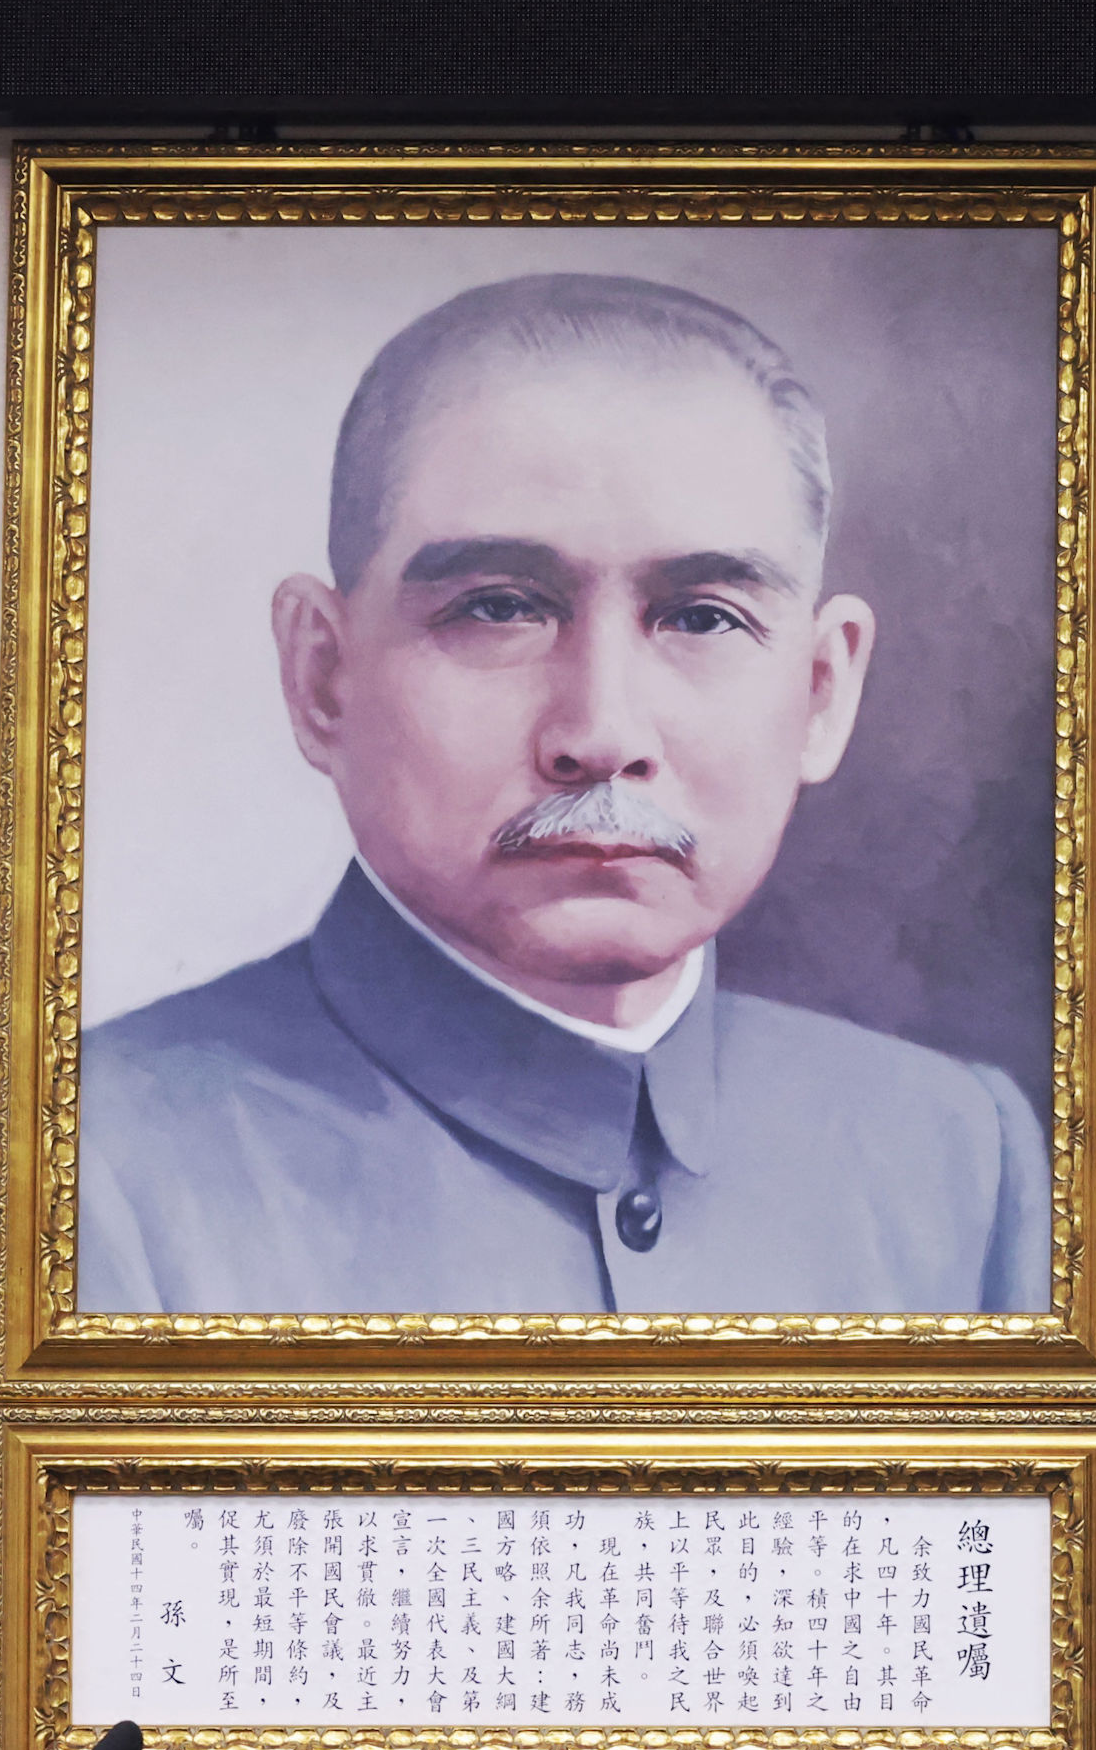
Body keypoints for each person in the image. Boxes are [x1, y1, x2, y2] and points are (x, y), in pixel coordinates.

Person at [81, 273, 1047, 1317]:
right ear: (324, 677)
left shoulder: (957, 1158)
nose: (602, 732)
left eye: (704, 618)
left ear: (821, 690)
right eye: (500, 608)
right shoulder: (94, 1166)